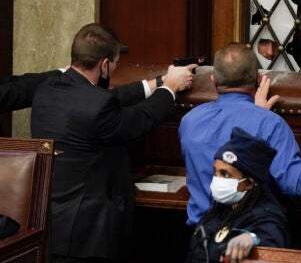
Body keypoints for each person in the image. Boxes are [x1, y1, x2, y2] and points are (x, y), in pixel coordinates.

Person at [30, 22, 197, 263]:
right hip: (89, 236)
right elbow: (139, 119)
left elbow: (105, 99)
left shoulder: (47, 89)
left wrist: (158, 82)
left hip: (52, 226)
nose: (117, 68)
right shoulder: (96, 105)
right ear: (105, 64)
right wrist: (170, 88)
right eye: (117, 63)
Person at [178, 42, 301, 227]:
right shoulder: (269, 124)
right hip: (249, 242)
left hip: (201, 241)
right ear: (258, 78)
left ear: (213, 80)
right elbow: (296, 183)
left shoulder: (189, 121)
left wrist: (256, 114)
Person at [186, 127, 290, 263]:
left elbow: (270, 240)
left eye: (225, 174)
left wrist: (253, 238)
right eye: (215, 172)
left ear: (249, 183)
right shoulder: (221, 209)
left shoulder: (268, 216)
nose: (217, 179)